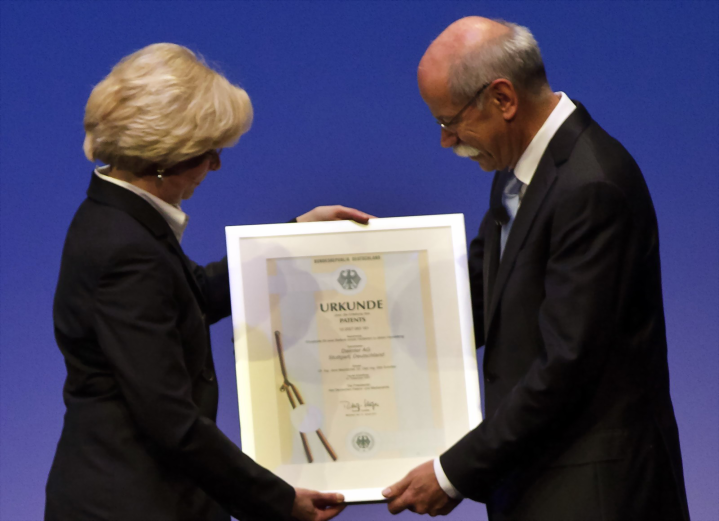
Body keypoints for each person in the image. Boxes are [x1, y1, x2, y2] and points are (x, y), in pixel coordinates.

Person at [45, 43, 370, 521]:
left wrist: (294, 238)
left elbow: (190, 292)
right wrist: (279, 501)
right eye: (209, 153)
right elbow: (171, 421)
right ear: (166, 157)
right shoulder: (127, 251)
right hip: (134, 503)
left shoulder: (113, 215)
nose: (216, 166)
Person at [383, 17, 690, 520]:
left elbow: (565, 367)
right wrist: (354, 291)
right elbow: (475, 303)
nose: (446, 140)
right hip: (536, 483)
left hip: (595, 495)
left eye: (449, 122)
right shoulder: (518, 171)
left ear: (503, 99)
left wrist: (451, 472)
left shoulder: (592, 186)